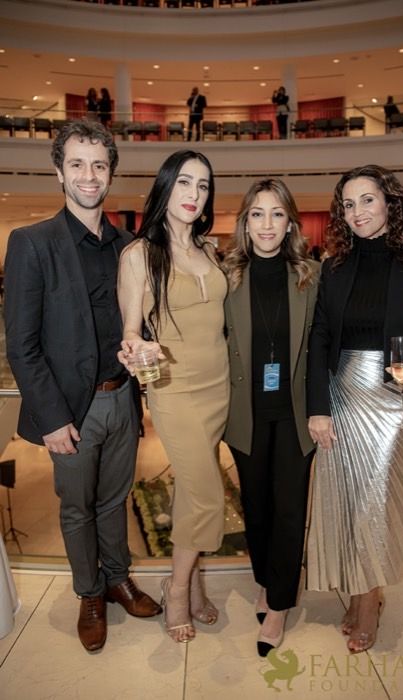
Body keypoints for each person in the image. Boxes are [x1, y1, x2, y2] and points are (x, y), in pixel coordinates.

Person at [3, 119, 160, 653]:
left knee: (115, 500)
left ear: (111, 173)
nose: (88, 176)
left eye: (98, 165)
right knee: (77, 508)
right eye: (77, 164)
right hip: (71, 408)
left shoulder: (129, 246)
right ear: (59, 173)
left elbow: (140, 324)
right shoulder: (32, 243)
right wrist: (51, 418)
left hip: (122, 400)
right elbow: (22, 345)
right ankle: (89, 593)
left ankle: (118, 579)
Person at [307, 164, 403, 654]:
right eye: (348, 205)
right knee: (346, 500)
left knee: (377, 501)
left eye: (367, 200)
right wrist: (318, 407)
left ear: (390, 202)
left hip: (393, 397)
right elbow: (320, 337)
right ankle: (357, 588)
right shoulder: (334, 268)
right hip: (342, 393)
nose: (358, 212)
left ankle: (369, 601)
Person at [117, 150, 229, 644]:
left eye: (203, 186)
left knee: (191, 491)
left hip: (219, 386)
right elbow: (130, 329)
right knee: (206, 493)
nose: (194, 194)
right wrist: (135, 347)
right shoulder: (139, 254)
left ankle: (196, 583)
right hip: (174, 389)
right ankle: (177, 587)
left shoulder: (209, 249)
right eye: (184, 182)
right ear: (165, 187)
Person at [223, 179, 319, 657]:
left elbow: (321, 349)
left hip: (295, 415)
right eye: (257, 214)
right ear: (245, 223)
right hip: (245, 415)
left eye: (277, 214)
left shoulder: (311, 276)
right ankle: (264, 578)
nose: (267, 224)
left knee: (288, 510)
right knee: (256, 507)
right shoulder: (226, 278)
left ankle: (279, 603)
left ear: (290, 224)